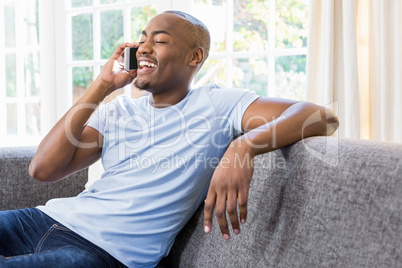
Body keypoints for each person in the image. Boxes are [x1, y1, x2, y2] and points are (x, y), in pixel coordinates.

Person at [0, 10, 339, 268]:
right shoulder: (119, 111)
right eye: (142, 39)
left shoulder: (217, 104)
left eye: (159, 41)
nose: (144, 47)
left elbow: (321, 116)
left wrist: (244, 146)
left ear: (194, 57)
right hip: (43, 220)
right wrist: (102, 86)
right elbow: (42, 169)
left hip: (102, 252)